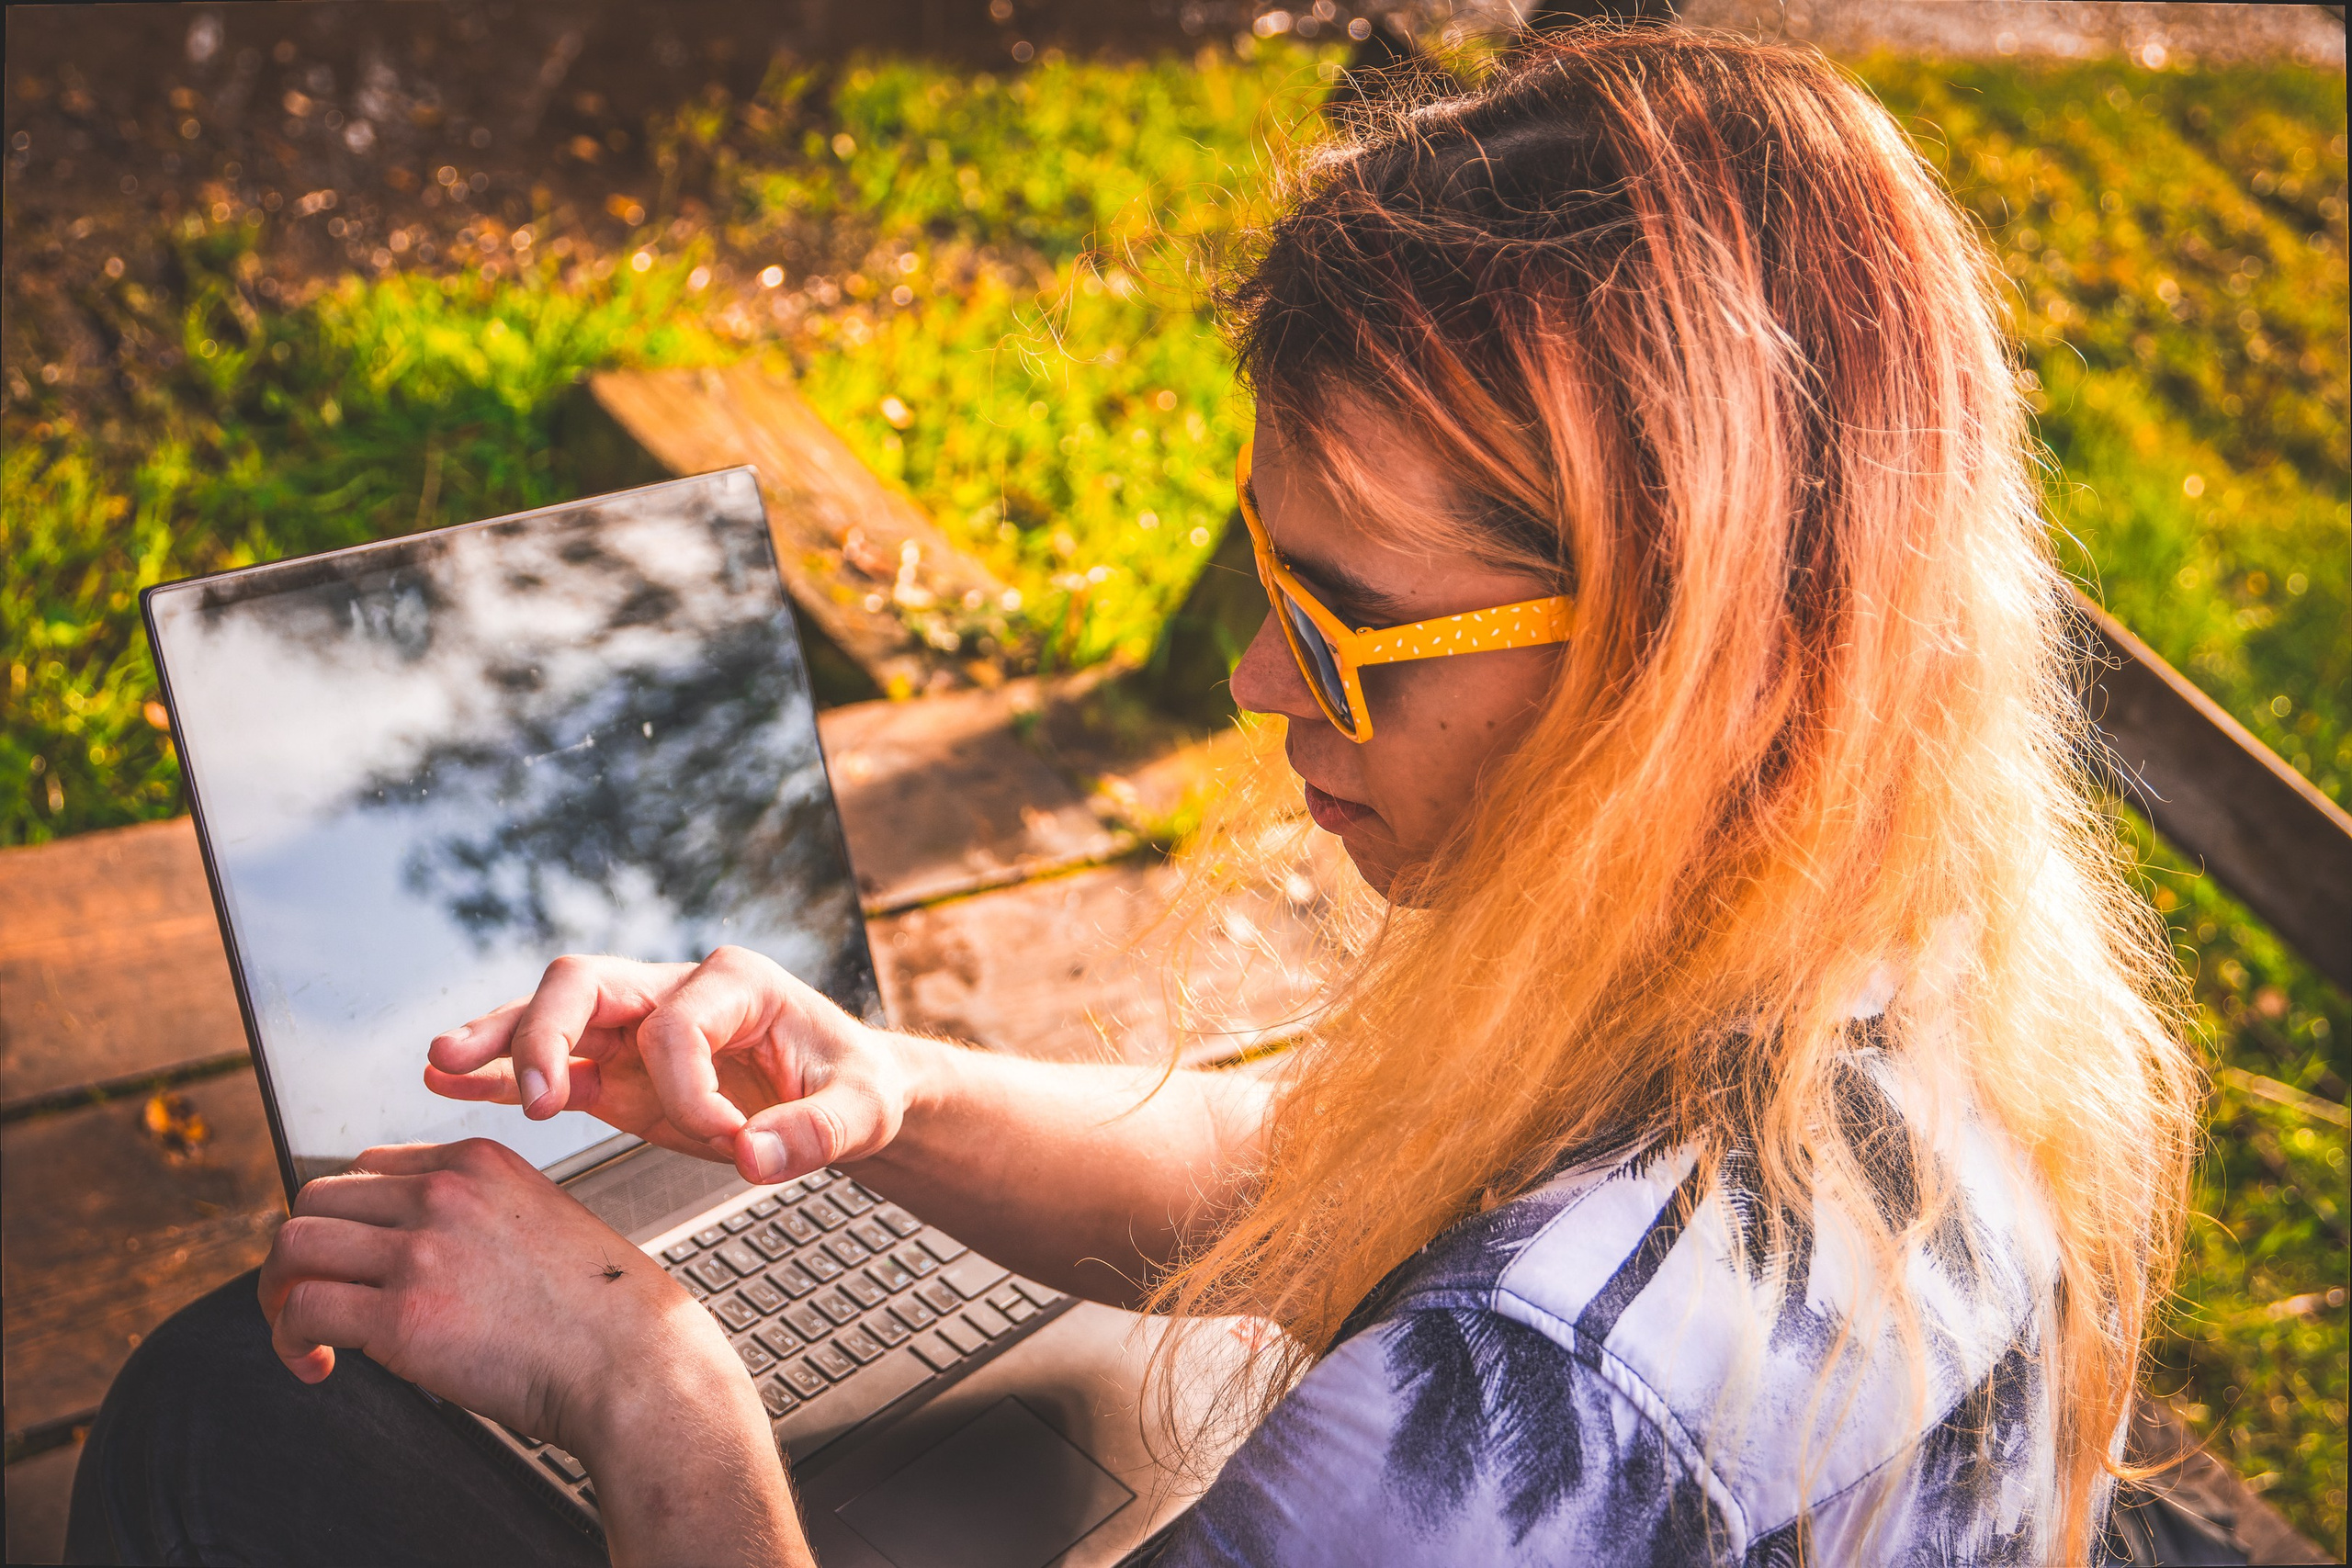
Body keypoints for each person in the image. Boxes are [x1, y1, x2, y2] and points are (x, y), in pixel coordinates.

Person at [70, 28, 2199, 1567]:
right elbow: (1335, 1184)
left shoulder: (1489, 1441)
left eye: (1347, 622)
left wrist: (656, 1379)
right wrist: (885, 1093)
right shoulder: (1888, 981)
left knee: (225, 1402)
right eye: (1267, 580)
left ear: (1675, 670)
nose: (1265, 679)